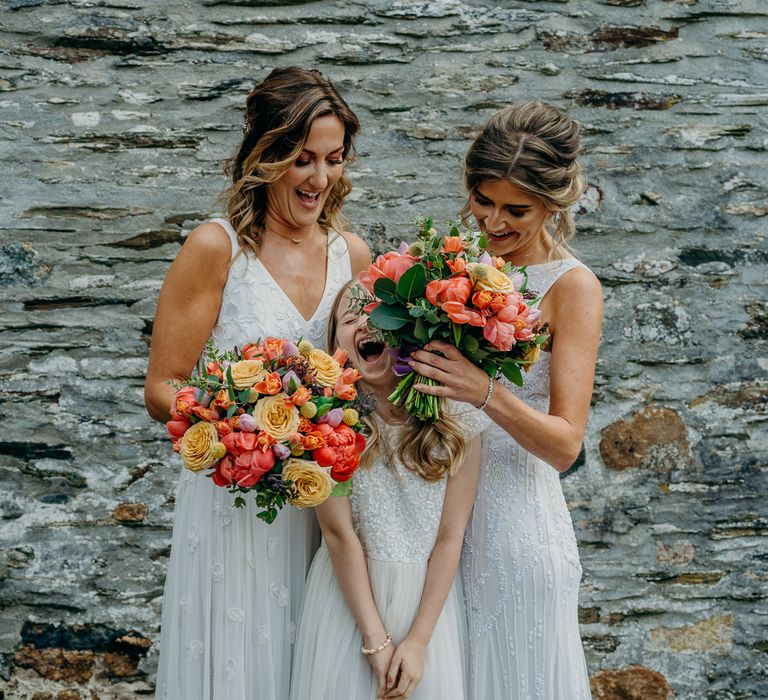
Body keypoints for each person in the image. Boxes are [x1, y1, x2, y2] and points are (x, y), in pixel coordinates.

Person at [143, 67, 371, 700]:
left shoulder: (351, 255)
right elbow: (163, 387)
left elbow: (367, 378)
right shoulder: (217, 249)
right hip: (236, 501)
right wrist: (241, 430)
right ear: (266, 156)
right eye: (302, 160)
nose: (320, 179)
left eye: (333, 159)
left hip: (325, 505)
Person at [409, 101, 602, 699]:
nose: (493, 222)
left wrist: (484, 391)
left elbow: (566, 445)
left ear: (555, 203)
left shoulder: (574, 289)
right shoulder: (447, 264)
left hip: (517, 530)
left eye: (516, 210)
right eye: (482, 200)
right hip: (428, 527)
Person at [290, 282, 486, 700]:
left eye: (378, 315)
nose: (365, 323)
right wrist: (375, 641)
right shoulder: (324, 423)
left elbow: (451, 537)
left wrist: (417, 641)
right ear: (336, 343)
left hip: (428, 610)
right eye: (350, 318)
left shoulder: (457, 421)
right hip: (350, 603)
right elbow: (338, 534)